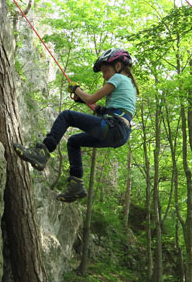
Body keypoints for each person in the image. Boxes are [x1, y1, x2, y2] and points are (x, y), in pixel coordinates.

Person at [13, 48, 138, 202]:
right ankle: (76, 183)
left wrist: (77, 89)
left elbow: (91, 99)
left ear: (118, 66)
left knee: (67, 116)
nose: (104, 76)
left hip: (114, 127)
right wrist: (83, 98)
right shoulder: (129, 85)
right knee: (73, 142)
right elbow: (107, 108)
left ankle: (42, 152)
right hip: (119, 134)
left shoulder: (119, 79)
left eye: (105, 71)